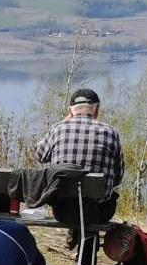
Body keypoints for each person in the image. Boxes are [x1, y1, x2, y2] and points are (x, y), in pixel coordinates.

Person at [34, 88, 123, 254]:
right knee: (91, 203)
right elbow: (118, 177)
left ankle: (75, 234)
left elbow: (40, 155)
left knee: (76, 198)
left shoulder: (57, 129)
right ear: (96, 110)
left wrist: (64, 122)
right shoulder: (111, 133)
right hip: (99, 211)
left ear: (70, 110)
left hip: (64, 211)